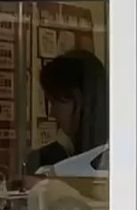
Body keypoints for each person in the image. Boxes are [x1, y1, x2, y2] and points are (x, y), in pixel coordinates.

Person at [24, 48, 108, 187]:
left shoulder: (112, 158)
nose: (52, 112)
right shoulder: (47, 157)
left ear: (80, 99)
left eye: (54, 102)